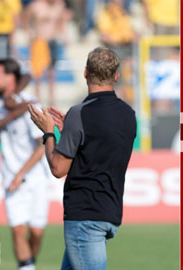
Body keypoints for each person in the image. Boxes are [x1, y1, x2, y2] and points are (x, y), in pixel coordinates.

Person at [28, 47, 137, 270]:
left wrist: (49, 132)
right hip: (110, 211)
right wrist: (71, 128)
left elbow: (58, 167)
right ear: (116, 76)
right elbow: (100, 142)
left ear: (85, 73)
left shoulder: (81, 113)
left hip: (85, 215)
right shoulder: (129, 114)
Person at [0, 58, 52, 270]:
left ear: (11, 77)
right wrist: (14, 113)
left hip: (36, 178)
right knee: (18, 230)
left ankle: (28, 264)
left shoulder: (31, 105)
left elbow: (41, 147)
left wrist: (22, 174)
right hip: (11, 178)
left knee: (36, 233)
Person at [25, 0, 69, 106]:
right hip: (39, 40)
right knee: (38, 73)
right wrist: (29, 33)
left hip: (52, 40)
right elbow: (25, 17)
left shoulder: (59, 5)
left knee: (51, 73)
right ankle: (37, 99)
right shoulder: (36, 5)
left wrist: (64, 36)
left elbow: (61, 22)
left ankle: (51, 101)